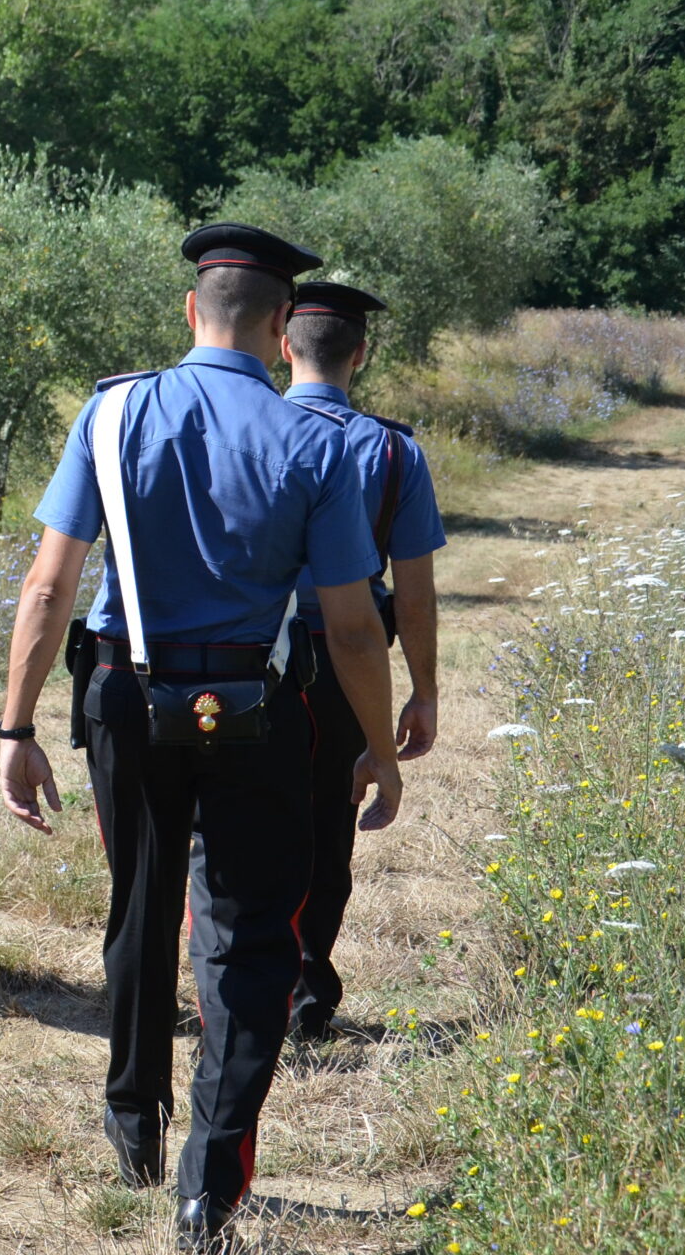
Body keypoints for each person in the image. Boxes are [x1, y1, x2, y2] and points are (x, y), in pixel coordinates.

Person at [0, 224, 404, 1252]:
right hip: (257, 707)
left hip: (124, 697)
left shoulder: (110, 410)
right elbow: (352, 623)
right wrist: (380, 750)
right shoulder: (311, 443)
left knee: (138, 903)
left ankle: (132, 1120)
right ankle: (208, 1179)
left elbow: (48, 585)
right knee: (248, 937)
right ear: (278, 327)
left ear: (190, 313)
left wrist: (15, 723)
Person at [278, 281, 444, 1041]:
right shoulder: (391, 449)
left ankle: (238, 981)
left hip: (254, 655)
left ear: (284, 343)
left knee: (239, 817)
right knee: (327, 826)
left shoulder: (252, 427)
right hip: (350, 665)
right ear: (361, 354)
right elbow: (412, 595)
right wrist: (423, 690)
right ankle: (308, 990)